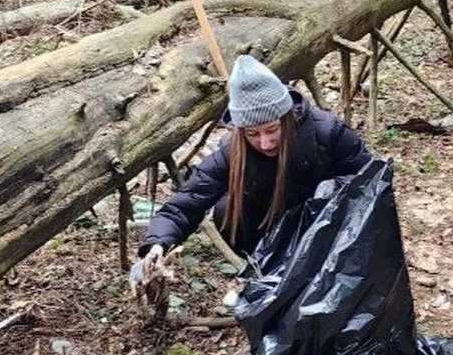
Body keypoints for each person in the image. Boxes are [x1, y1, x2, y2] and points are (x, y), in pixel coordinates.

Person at [135, 55, 373, 270]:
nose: (266, 143)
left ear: (287, 118)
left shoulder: (326, 131)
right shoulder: (232, 153)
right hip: (270, 233)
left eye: (272, 130)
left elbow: (371, 178)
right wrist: (157, 245)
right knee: (225, 209)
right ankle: (266, 270)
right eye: (252, 134)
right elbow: (183, 206)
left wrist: (332, 191)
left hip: (330, 232)